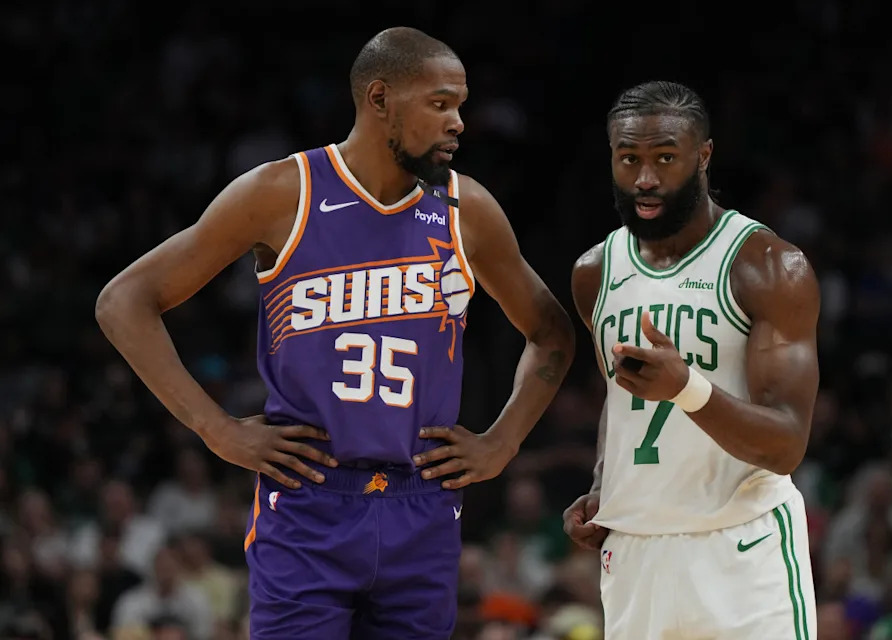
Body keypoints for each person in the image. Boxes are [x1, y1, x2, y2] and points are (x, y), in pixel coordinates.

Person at [96, 27, 574, 639]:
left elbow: (552, 333)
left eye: (461, 104)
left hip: (421, 504)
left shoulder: (465, 208)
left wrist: (503, 443)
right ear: (380, 100)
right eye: (439, 103)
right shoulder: (283, 191)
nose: (458, 122)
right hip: (308, 503)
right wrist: (213, 428)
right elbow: (124, 301)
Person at [562, 80, 821, 639]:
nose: (645, 179)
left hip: (741, 549)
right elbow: (622, 403)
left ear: (703, 157)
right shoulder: (595, 273)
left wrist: (687, 389)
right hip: (635, 553)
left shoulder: (769, 266)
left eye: (664, 158)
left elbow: (786, 445)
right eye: (628, 159)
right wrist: (605, 483)